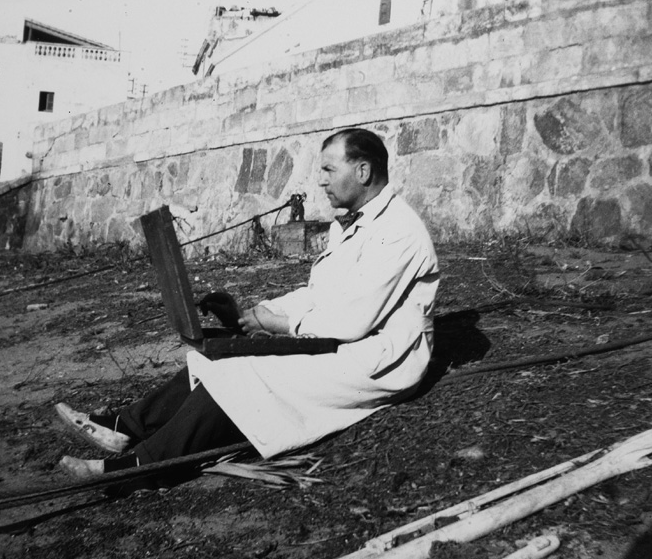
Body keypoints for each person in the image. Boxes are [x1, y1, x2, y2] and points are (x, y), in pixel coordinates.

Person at [56, 127, 440, 481]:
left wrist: (278, 324)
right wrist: (257, 313)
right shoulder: (349, 224)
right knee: (216, 356)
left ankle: (137, 468)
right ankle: (124, 428)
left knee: (247, 374)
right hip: (346, 340)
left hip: (379, 361)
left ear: (362, 171)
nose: (320, 180)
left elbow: (353, 319)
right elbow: (319, 294)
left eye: (328, 169)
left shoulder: (398, 231)